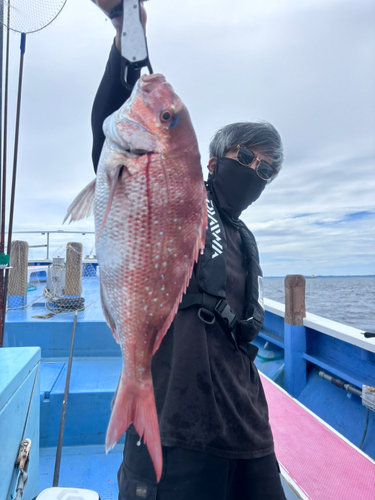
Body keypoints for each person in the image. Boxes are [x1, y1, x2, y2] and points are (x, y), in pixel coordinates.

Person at [91, 2, 286, 499]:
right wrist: (127, 27)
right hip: (176, 430)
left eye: (266, 170)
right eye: (246, 158)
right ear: (213, 157)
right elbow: (131, 112)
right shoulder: (178, 197)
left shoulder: (242, 238)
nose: (255, 173)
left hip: (249, 433)